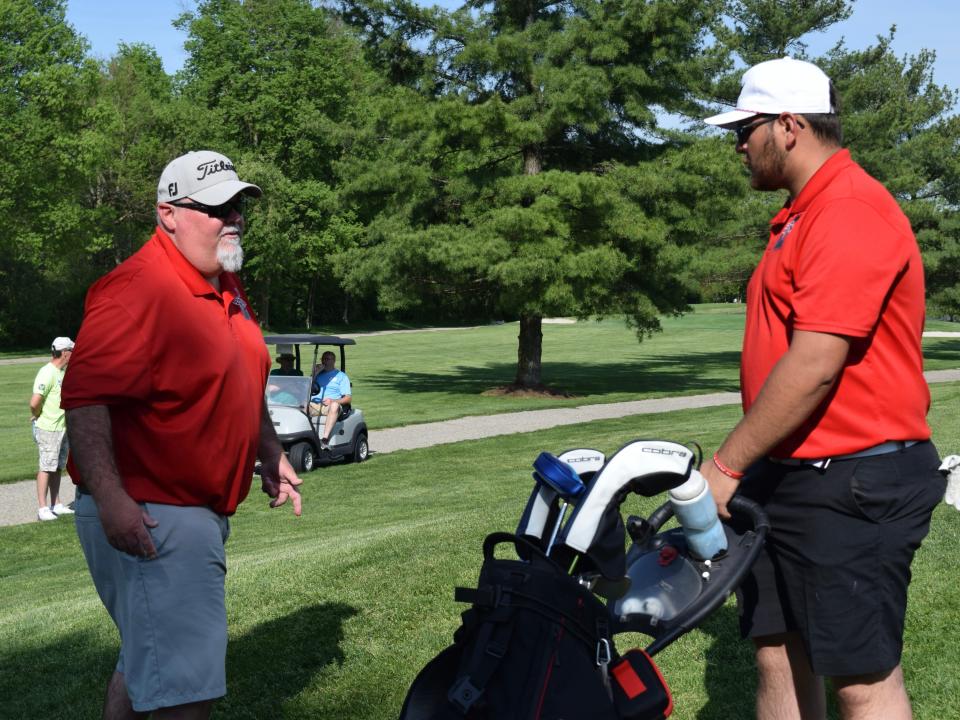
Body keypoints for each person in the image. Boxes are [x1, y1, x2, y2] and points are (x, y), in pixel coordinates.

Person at [700, 57, 945, 720]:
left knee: (860, 677)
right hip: (790, 475)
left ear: (788, 126)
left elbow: (815, 364)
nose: (737, 143)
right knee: (777, 650)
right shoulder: (801, 214)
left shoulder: (850, 209)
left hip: (854, 480)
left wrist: (724, 467)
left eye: (746, 128)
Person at [61, 150, 303, 720]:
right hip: (153, 513)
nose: (233, 218)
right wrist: (115, 499)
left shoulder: (225, 282)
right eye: (217, 207)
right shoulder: (134, 291)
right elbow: (86, 401)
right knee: (187, 696)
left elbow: (243, 375)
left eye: (239, 205)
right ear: (168, 213)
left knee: (147, 663)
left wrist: (269, 451)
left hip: (188, 511)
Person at [30, 336, 75, 521]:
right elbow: (34, 403)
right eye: (72, 351)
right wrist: (38, 415)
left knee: (57, 467)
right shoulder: (47, 372)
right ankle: (42, 508)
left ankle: (56, 503)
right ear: (64, 353)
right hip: (48, 428)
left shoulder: (61, 372)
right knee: (46, 467)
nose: (73, 354)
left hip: (61, 428)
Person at [309, 350, 351, 450]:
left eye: (328, 359)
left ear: (334, 361)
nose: (325, 362)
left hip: (330, 406)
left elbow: (348, 398)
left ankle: (324, 439)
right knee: (300, 405)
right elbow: (307, 387)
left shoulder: (341, 376)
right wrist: (315, 373)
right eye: (323, 359)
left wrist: (333, 401)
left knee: (335, 405)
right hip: (315, 404)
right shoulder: (318, 375)